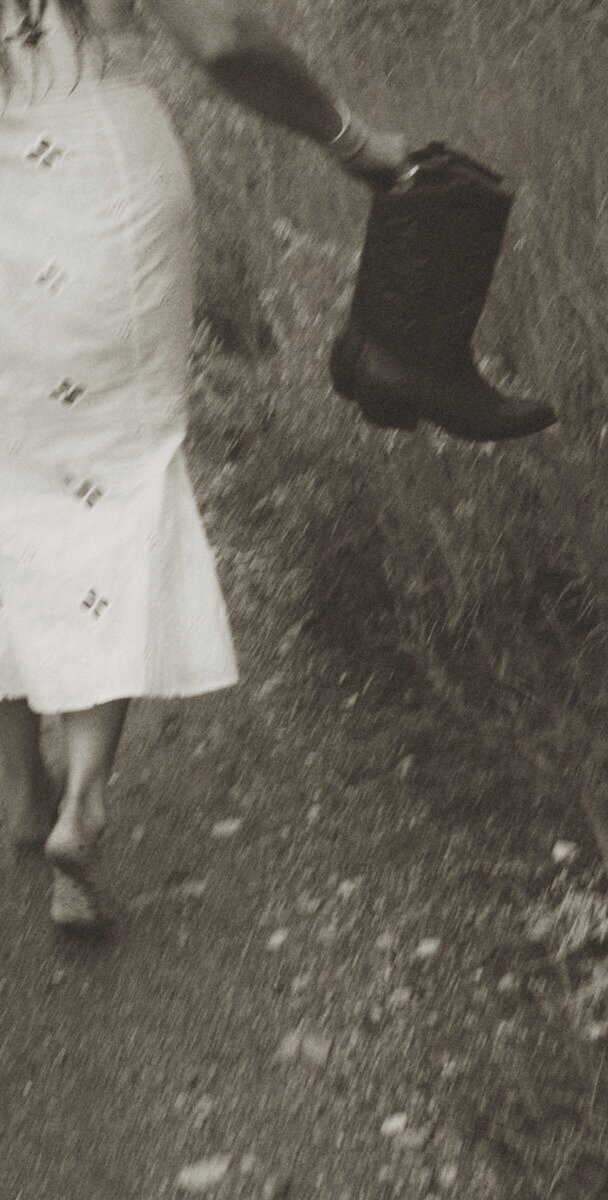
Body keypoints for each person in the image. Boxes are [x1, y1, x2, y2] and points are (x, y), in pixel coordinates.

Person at [0, 0, 407, 932]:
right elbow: (221, 37)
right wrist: (349, 139)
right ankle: (82, 804)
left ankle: (21, 790)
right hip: (96, 196)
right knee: (114, 480)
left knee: (9, 486)